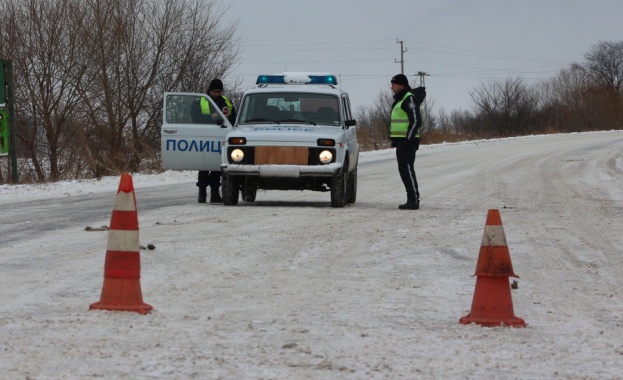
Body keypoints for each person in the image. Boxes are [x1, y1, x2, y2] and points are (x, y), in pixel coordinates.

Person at [193, 79, 237, 204]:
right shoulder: (200, 101)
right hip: (204, 137)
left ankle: (214, 194)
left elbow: (233, 118)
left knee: (217, 167)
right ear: (209, 90)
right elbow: (195, 117)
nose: (217, 94)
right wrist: (210, 118)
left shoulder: (227, 102)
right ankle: (202, 194)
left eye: (219, 91)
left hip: (220, 137)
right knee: (204, 166)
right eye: (214, 91)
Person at [389, 74, 421, 210]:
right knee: (404, 170)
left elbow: (415, 121)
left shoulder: (409, 99)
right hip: (401, 142)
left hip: (407, 142)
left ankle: (413, 200)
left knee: (407, 170)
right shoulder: (400, 99)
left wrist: (408, 139)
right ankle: (411, 199)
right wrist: (396, 139)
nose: (392, 87)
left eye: (394, 84)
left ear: (401, 84)